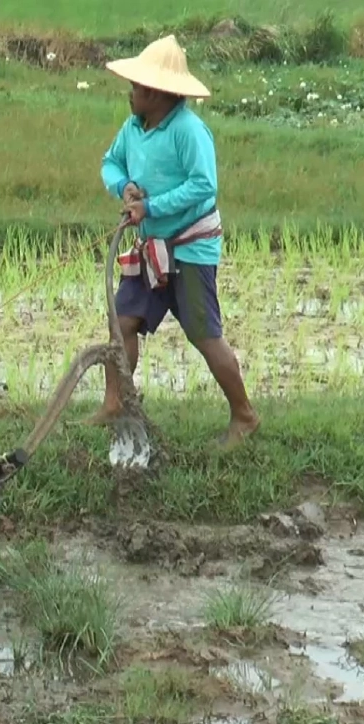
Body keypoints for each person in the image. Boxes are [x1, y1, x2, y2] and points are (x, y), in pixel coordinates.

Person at [85, 34, 260, 449]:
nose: (130, 93)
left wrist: (153, 207)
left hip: (190, 248)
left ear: (156, 93)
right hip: (152, 247)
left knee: (204, 334)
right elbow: (111, 163)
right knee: (122, 321)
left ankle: (244, 415)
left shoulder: (188, 131)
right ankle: (116, 402)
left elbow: (204, 186)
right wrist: (125, 187)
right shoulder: (134, 127)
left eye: (136, 88)